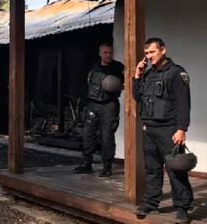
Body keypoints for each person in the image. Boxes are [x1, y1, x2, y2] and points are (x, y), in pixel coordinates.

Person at [133, 38, 193, 224]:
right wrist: (137, 76)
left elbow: (184, 103)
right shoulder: (148, 74)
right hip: (149, 129)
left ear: (163, 50)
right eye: (147, 54)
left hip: (169, 130)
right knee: (152, 168)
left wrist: (181, 129)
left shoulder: (177, 73)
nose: (149, 56)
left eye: (152, 52)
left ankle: (182, 208)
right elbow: (138, 97)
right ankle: (151, 202)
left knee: (175, 169)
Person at [73, 43, 124, 177]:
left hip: (109, 105)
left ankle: (107, 165)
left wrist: (117, 85)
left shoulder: (118, 67)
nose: (108, 55)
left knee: (107, 136)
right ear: (100, 53)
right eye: (105, 52)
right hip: (93, 104)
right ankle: (87, 163)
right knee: (88, 134)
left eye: (110, 52)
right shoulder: (95, 66)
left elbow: (127, 83)